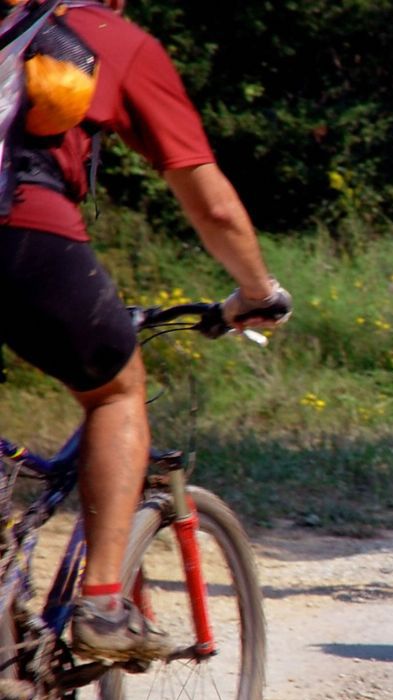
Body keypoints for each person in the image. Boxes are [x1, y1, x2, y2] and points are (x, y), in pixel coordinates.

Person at [0, 0, 292, 660]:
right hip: (22, 230)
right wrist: (257, 292)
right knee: (115, 391)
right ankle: (104, 605)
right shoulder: (110, 37)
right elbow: (210, 201)